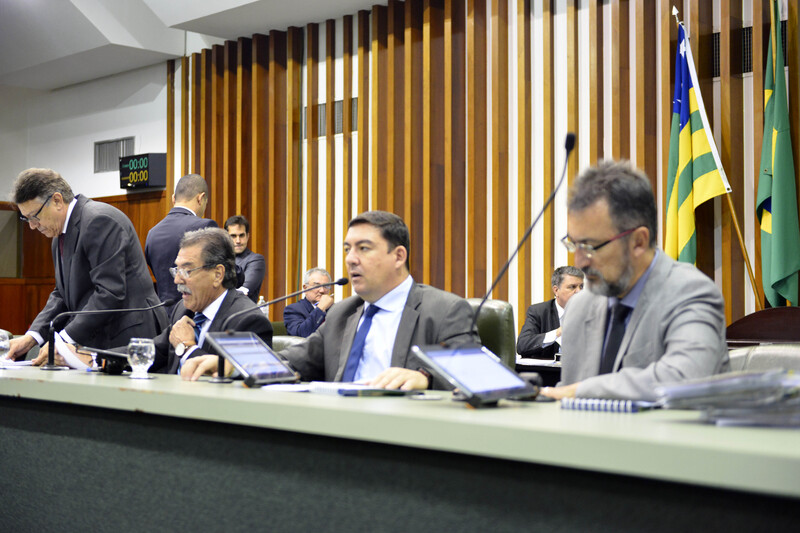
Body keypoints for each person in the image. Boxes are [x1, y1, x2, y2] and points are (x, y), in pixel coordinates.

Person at [183, 210, 479, 390]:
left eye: (364, 248)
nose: (351, 259)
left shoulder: (444, 310)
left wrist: (424, 378)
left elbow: (477, 379)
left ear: (398, 256)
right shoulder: (342, 314)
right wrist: (234, 365)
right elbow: (292, 360)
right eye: (348, 249)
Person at [540, 160, 728, 401]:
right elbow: (565, 401)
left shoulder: (691, 293)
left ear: (638, 242)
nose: (580, 261)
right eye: (574, 245)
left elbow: (686, 378)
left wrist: (581, 391)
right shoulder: (579, 307)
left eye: (590, 246)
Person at [4, 168, 166, 364]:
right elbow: (61, 293)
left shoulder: (99, 220)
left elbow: (110, 292)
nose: (32, 225)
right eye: (27, 219)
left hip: (130, 335)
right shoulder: (58, 235)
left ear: (57, 200)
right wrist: (32, 337)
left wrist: (62, 340)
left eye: (34, 216)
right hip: (102, 335)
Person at [150, 227, 272, 374]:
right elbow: (151, 353)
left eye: (186, 271)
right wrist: (123, 357)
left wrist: (188, 348)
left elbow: (235, 380)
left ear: (217, 275)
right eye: (177, 270)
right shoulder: (184, 308)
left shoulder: (248, 320)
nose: (177, 280)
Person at [145, 174, 218, 306]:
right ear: (201, 198)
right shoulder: (204, 227)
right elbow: (223, 270)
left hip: (163, 312)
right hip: (194, 311)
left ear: (173, 198)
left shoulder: (152, 233)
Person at [516, 266, 584, 359]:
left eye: (581, 287)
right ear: (556, 290)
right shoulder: (539, 312)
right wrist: (557, 333)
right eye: (572, 287)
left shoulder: (590, 312)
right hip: (549, 368)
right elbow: (523, 345)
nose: (579, 291)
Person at [224, 215, 265, 303]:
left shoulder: (256, 260)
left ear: (247, 236)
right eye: (233, 236)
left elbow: (243, 292)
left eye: (241, 235)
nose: (238, 241)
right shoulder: (219, 258)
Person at [283, 267, 334, 337]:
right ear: (305, 288)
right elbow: (300, 335)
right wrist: (320, 309)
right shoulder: (293, 309)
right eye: (317, 285)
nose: (322, 290)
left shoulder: (335, 309)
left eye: (326, 286)